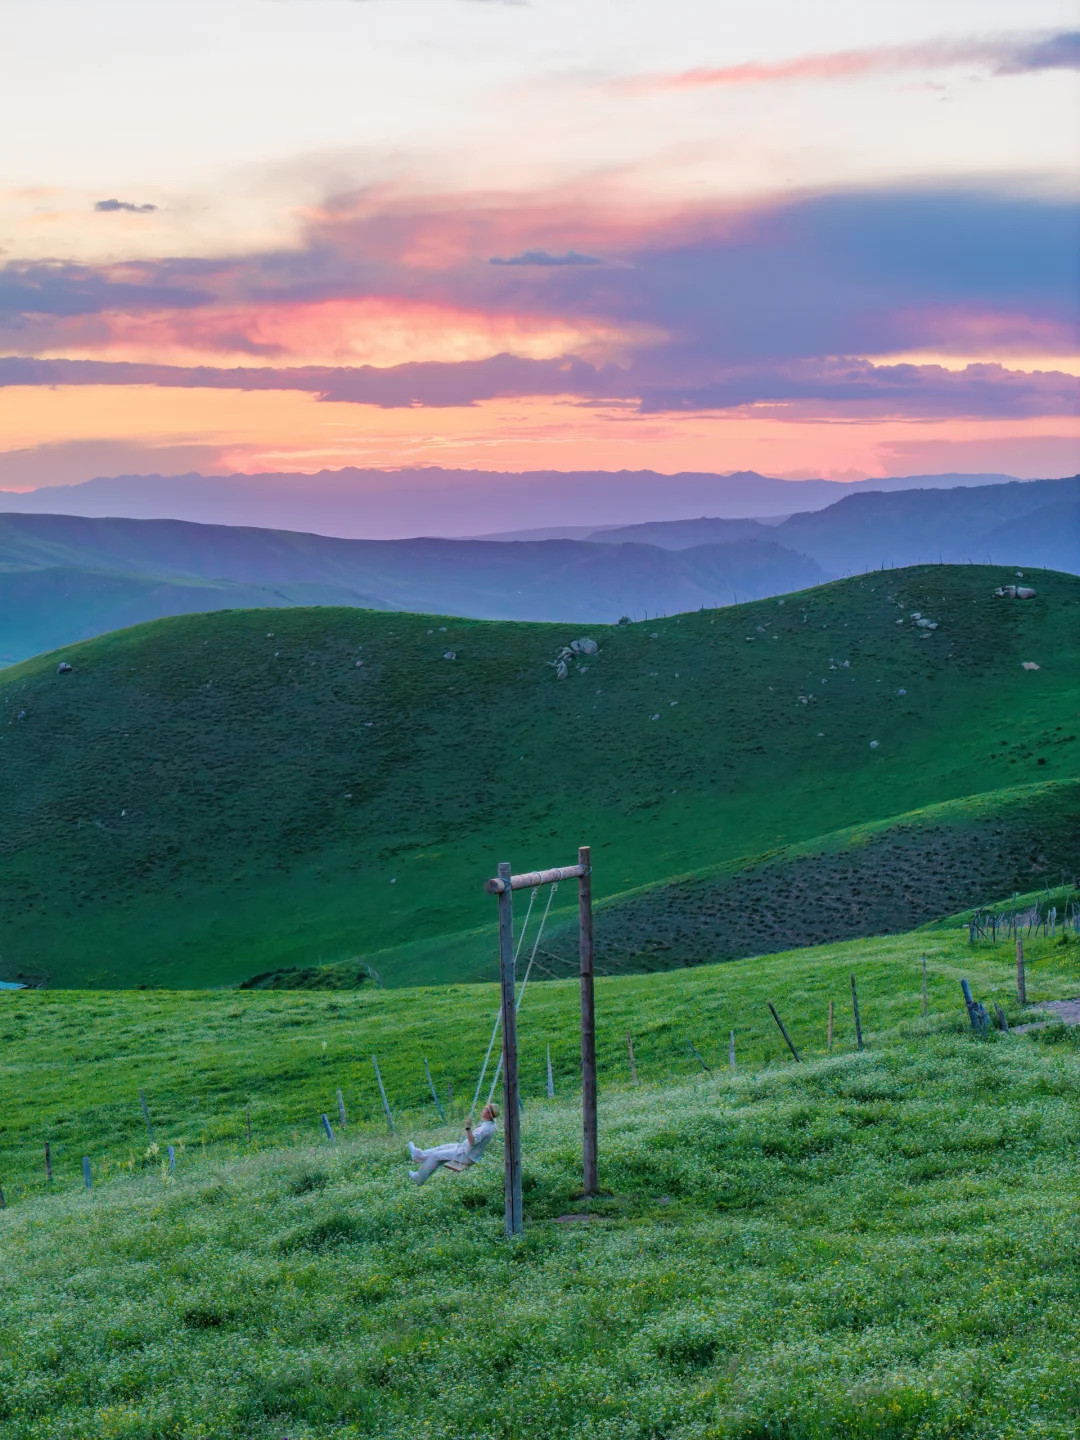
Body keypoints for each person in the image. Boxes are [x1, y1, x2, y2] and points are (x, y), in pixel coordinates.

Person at [407, 1103, 499, 1185]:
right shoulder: (490, 1124)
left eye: (485, 1109)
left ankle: (418, 1178)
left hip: (466, 1155)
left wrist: (468, 1128)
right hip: (465, 1149)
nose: (482, 1110)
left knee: (436, 1156)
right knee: (443, 1147)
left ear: (489, 1115)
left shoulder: (485, 1129)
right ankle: (418, 1155)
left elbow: (472, 1142)